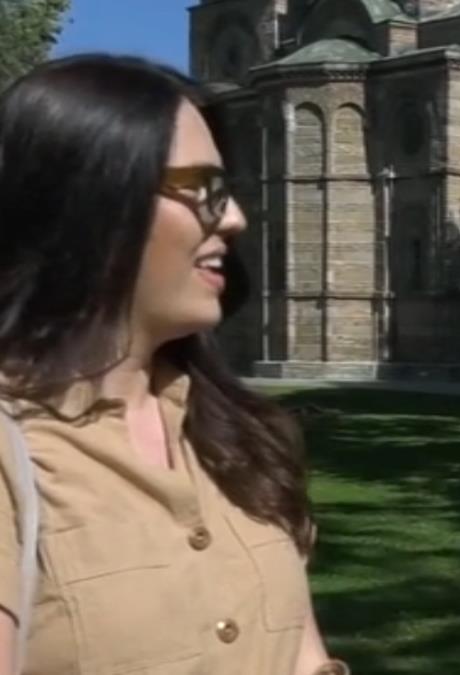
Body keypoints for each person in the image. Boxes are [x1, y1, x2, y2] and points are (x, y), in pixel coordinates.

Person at [0, 54, 349, 674]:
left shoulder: (246, 437)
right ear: (93, 201)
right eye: (204, 190)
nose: (235, 219)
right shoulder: (13, 453)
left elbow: (304, 655)